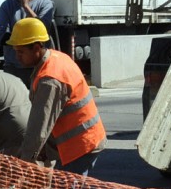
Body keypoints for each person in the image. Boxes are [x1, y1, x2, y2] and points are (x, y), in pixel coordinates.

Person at [12, 18, 104, 174]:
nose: (17, 57)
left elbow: (38, 129)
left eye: (21, 52)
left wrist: (24, 164)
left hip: (80, 146)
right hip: (84, 140)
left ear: (36, 47)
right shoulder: (56, 57)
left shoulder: (50, 80)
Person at [0, 0, 55, 88]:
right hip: (14, 67)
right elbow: (1, 36)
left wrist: (26, 7)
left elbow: (44, 29)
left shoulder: (45, 3)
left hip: (38, 65)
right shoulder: (7, 6)